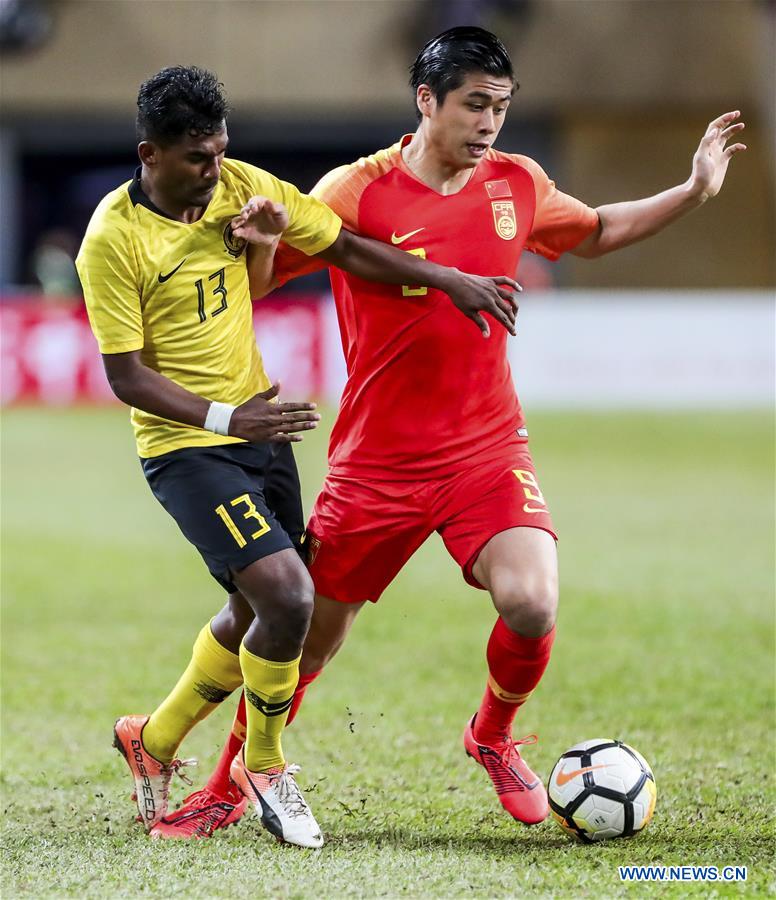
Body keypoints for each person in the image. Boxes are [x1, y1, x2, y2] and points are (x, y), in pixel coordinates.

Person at [153, 28, 746, 841]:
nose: (489, 123)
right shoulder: (354, 191)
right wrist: (231, 257)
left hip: (485, 451)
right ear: (426, 100)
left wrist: (693, 191)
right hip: (376, 466)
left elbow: (598, 230)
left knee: (532, 601)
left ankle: (493, 735)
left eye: (501, 106)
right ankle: (228, 783)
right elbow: (260, 278)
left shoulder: (518, 182)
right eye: (474, 104)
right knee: (306, 645)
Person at [76, 64, 524, 849]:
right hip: (189, 447)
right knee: (289, 597)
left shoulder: (243, 187)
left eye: (221, 152)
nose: (215, 171)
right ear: (151, 154)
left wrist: (446, 279)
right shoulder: (113, 239)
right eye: (197, 158)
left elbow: (344, 246)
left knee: (259, 607)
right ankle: (266, 766)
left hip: (261, 431)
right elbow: (127, 376)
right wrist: (230, 417)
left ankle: (153, 738)